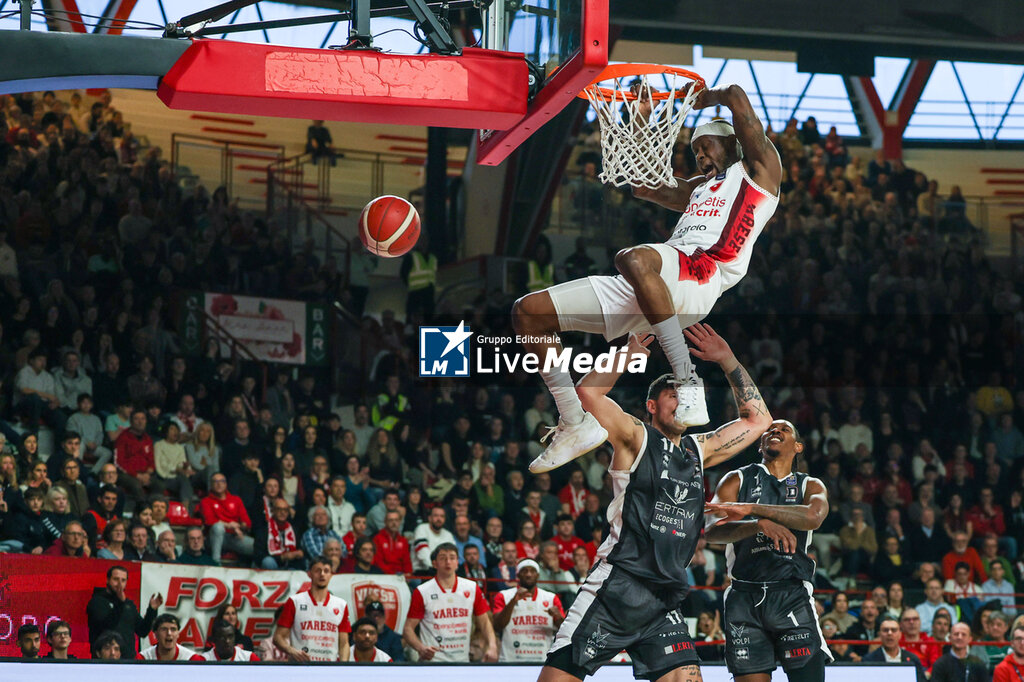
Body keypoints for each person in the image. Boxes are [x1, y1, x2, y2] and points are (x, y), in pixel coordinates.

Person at [511, 81, 782, 475]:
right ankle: (573, 422)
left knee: (633, 257)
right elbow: (642, 184)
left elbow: (739, 97)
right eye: (694, 150)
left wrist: (707, 98)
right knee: (528, 313)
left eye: (706, 145)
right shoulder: (697, 191)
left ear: (734, 145)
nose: (700, 153)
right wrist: (640, 117)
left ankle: (687, 379)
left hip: (703, 274)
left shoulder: (758, 172)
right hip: (659, 282)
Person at [543, 324, 771, 682]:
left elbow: (759, 421)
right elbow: (588, 393)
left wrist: (727, 359)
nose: (683, 399)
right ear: (652, 405)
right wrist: (626, 356)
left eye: (688, 394)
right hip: (619, 584)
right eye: (673, 394)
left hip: (664, 597)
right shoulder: (636, 436)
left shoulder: (700, 449)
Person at [704, 417, 831, 681]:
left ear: (798, 446)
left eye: (785, 429)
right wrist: (757, 525)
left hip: (789, 593)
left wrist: (753, 509)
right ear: (760, 445)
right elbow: (712, 532)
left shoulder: (810, 485)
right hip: (743, 595)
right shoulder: (737, 478)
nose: (776, 431)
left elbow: (814, 516)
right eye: (770, 429)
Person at [403, 542, 497, 662]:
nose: (448, 562)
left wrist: (492, 645)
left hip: (462, 661)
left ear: (457, 562)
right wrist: (420, 648)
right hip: (433, 663)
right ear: (434, 563)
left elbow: (484, 621)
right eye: (443, 558)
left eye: (452, 558)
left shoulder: (472, 588)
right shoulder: (422, 591)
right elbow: (408, 629)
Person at [274, 555, 351, 661]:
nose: (322, 574)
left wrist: (343, 667)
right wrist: (292, 651)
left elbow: (344, 643)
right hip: (300, 666)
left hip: (329, 668)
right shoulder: (295, 601)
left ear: (331, 575)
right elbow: (278, 637)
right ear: (309, 574)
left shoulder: (341, 605)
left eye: (326, 571)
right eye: (317, 570)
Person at [492, 558, 566, 662]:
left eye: (532, 571)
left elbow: (564, 630)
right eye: (524, 571)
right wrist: (513, 601)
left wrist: (558, 616)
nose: (528, 574)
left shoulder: (551, 598)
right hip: (511, 660)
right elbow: (497, 626)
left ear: (538, 575)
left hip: (541, 660)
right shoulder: (504, 596)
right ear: (518, 575)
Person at [86, 564, 162, 658]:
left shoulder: (128, 604)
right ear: (107, 580)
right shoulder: (97, 602)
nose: (119, 583)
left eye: (123, 580)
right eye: (116, 579)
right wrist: (120, 604)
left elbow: (142, 631)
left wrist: (152, 610)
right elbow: (107, 626)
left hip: (128, 660)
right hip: (105, 660)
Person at [200, 472, 255, 564]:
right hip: (213, 538)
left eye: (222, 481)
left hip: (234, 537)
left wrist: (240, 526)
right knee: (218, 527)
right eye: (215, 481)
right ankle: (216, 563)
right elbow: (209, 521)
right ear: (211, 485)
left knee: (258, 547)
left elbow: (247, 522)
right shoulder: (206, 501)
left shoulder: (236, 500)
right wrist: (229, 525)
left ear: (226, 484)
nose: (219, 484)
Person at [862, 616, 927, 682]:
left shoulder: (912, 659)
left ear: (900, 634)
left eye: (894, 630)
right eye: (885, 630)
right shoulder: (869, 660)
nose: (889, 633)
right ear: (880, 635)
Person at [255, 497, 304, 570]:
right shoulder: (264, 529)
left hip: (289, 566)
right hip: (272, 566)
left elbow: (300, 549)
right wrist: (281, 557)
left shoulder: (293, 530)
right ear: (273, 511)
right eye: (279, 509)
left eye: (285, 510)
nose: (282, 512)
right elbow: (259, 555)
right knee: (268, 562)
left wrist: (299, 553)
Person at [412, 505, 456, 572]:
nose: (439, 519)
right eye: (436, 515)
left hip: (443, 571)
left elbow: (452, 555)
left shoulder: (448, 535)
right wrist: (439, 567)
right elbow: (423, 555)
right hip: (422, 571)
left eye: (442, 516)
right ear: (429, 518)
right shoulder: (421, 529)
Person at [374, 509, 412, 575]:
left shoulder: (403, 540)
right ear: (385, 522)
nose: (394, 523)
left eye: (396, 520)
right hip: (385, 574)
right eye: (391, 520)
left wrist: (408, 573)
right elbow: (378, 562)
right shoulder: (377, 539)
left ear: (400, 522)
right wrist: (392, 574)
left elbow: (407, 561)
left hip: (402, 575)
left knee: (417, 582)